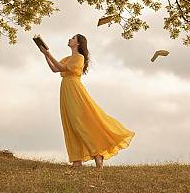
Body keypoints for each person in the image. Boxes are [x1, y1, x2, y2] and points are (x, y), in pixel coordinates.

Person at [38, 34, 135, 170]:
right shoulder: (68, 58)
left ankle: (97, 153)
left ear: (78, 43)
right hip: (66, 89)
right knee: (70, 123)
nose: (69, 39)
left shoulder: (79, 57)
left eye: (73, 38)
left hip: (75, 90)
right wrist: (45, 55)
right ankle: (77, 160)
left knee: (79, 123)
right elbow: (54, 69)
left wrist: (49, 53)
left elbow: (60, 68)